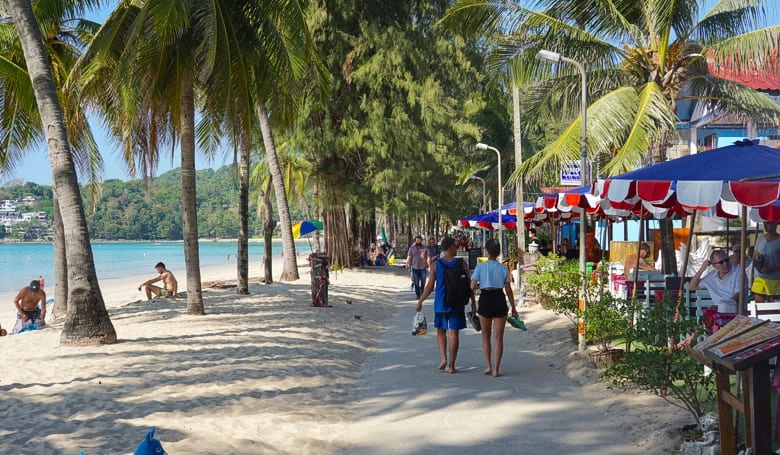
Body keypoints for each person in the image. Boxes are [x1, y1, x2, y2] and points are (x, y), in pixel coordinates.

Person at [416, 237, 476, 374]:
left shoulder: (435, 265)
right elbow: (469, 285)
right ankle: (452, 365)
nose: (457, 248)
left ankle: (443, 359)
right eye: (456, 246)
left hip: (441, 303)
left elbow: (430, 286)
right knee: (454, 333)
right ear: (450, 247)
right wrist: (473, 302)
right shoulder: (462, 263)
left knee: (440, 331)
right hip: (457, 302)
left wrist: (421, 300)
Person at [470, 239, 518, 377]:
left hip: (485, 298)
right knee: (498, 337)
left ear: (487, 251)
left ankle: (488, 366)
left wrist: (480, 286)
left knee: (485, 335)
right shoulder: (503, 268)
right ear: (498, 253)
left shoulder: (480, 267)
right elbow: (508, 290)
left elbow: (472, 286)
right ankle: (496, 369)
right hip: (499, 298)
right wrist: (513, 308)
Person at [752, 221, 780, 302]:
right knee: (758, 301)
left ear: (775, 224)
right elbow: (754, 254)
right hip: (759, 276)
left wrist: (770, 268)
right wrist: (757, 257)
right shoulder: (760, 238)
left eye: (768, 223)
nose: (765, 225)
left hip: (774, 278)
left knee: (773, 304)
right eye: (764, 223)